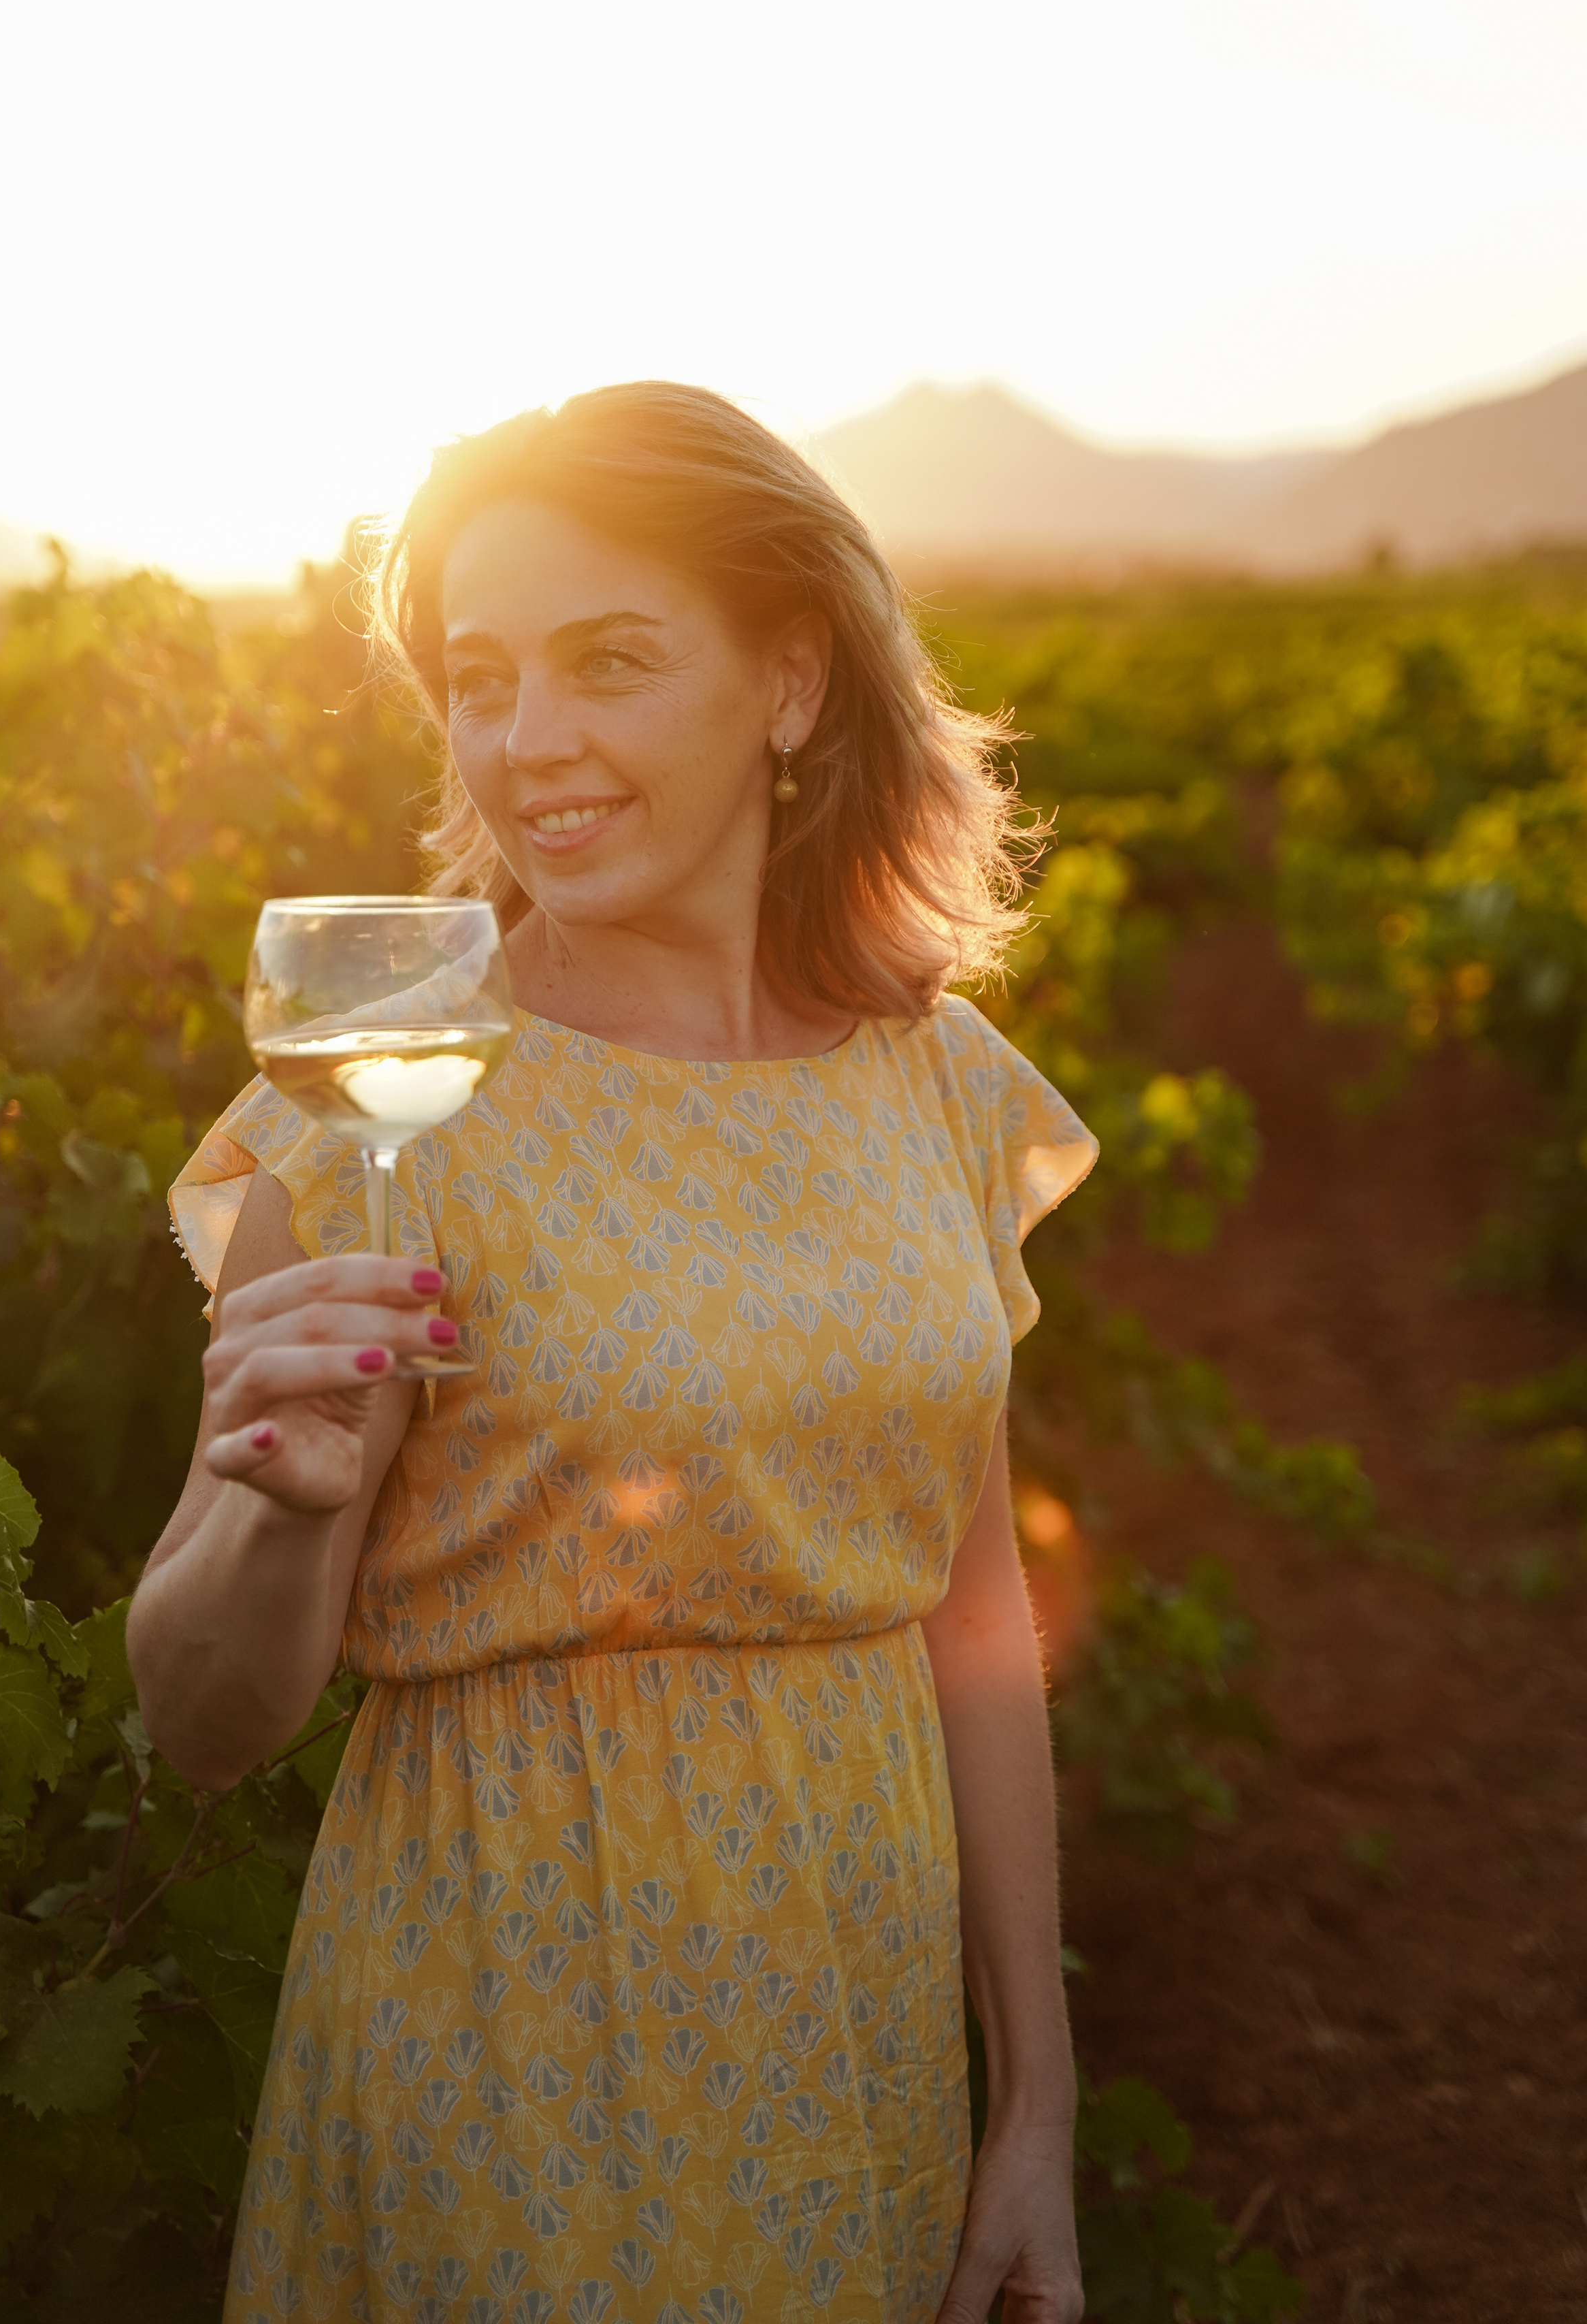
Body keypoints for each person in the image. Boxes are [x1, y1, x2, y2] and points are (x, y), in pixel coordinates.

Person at [129, 383, 1098, 2324]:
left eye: (610, 663)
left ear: (793, 683)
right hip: (504, 2035)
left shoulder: (935, 1081)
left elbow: (974, 1603)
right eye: (480, 678)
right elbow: (200, 1719)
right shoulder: (391, 1095)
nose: (525, 741)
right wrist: (277, 1516)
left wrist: (1037, 2111)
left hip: (855, 2028)